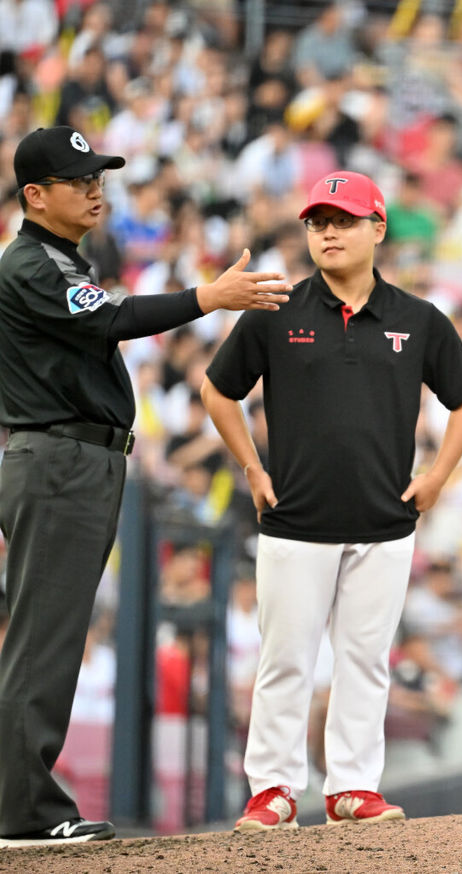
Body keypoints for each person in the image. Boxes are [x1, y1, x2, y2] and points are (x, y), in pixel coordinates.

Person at [0, 125, 291, 848]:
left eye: (97, 175)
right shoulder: (31, 263)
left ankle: (23, 805)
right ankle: (23, 812)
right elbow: (117, 317)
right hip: (60, 459)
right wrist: (210, 295)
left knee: (49, 636)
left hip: (72, 459)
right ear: (35, 196)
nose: (95, 187)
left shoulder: (59, 257)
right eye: (78, 179)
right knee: (44, 640)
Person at [200, 170, 462, 830]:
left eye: (344, 220)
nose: (328, 232)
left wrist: (440, 474)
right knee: (286, 660)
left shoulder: (418, 319)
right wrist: (250, 465)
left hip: (386, 520)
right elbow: (218, 390)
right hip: (296, 519)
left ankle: (352, 788)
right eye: (317, 221)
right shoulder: (277, 310)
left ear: (378, 229)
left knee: (365, 660)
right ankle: (272, 789)